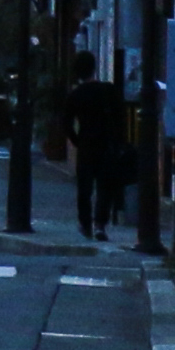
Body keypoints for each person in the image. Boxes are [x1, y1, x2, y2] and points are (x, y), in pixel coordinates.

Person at [67, 46, 135, 242]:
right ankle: (100, 224)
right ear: (94, 68)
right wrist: (120, 141)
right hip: (107, 145)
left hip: (87, 145)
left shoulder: (76, 95)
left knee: (84, 188)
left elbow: (66, 122)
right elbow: (120, 117)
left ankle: (86, 224)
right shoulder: (109, 90)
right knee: (106, 187)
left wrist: (76, 140)